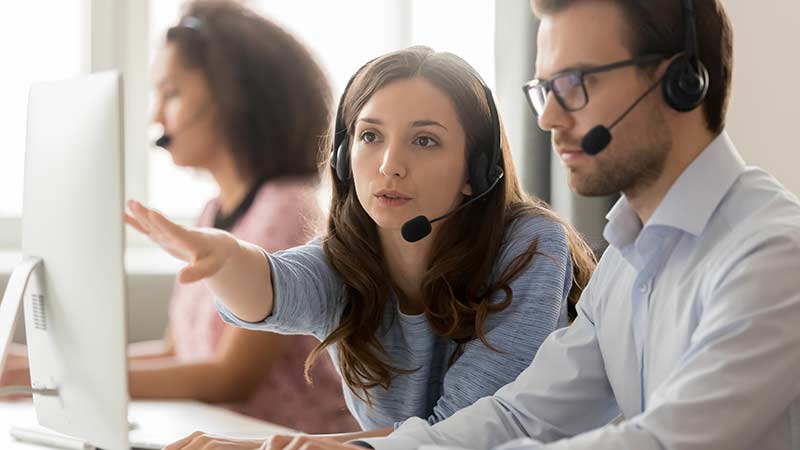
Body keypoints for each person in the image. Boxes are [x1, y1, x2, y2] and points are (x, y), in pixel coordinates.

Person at [272, 0, 800, 449]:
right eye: (545, 87)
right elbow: (519, 416)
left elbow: (664, 442)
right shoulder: (629, 257)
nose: (548, 117)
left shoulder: (773, 253)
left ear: (680, 83)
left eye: (574, 83)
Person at [126, 45, 598, 450]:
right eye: (370, 136)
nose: (391, 165)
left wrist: (268, 447)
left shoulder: (531, 246)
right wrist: (224, 259)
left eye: (425, 140)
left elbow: (465, 433)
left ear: (475, 169)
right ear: (343, 157)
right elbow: (274, 287)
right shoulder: (348, 256)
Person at [0, 0, 359, 433]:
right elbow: (180, 353)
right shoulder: (213, 212)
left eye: (171, 93)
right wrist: (45, 368)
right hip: (220, 433)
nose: (156, 115)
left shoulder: (288, 209)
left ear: (233, 96)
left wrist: (58, 378)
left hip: (284, 440)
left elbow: (231, 377)